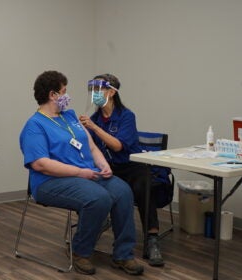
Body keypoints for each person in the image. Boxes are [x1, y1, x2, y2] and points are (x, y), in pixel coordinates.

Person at [19, 70, 144, 276]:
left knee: (123, 192)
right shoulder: (35, 125)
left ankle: (123, 254)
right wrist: (79, 172)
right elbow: (41, 164)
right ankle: (81, 252)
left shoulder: (70, 116)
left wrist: (104, 165)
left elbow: (91, 145)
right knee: (98, 198)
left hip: (87, 173)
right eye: (64, 91)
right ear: (53, 95)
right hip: (51, 182)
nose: (67, 96)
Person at [79, 73, 165, 267]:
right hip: (108, 168)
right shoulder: (94, 118)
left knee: (145, 186)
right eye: (92, 91)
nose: (95, 94)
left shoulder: (126, 116)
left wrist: (93, 127)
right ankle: (91, 232)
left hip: (131, 166)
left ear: (111, 92)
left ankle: (152, 239)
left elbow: (118, 146)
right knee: (89, 185)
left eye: (98, 90)